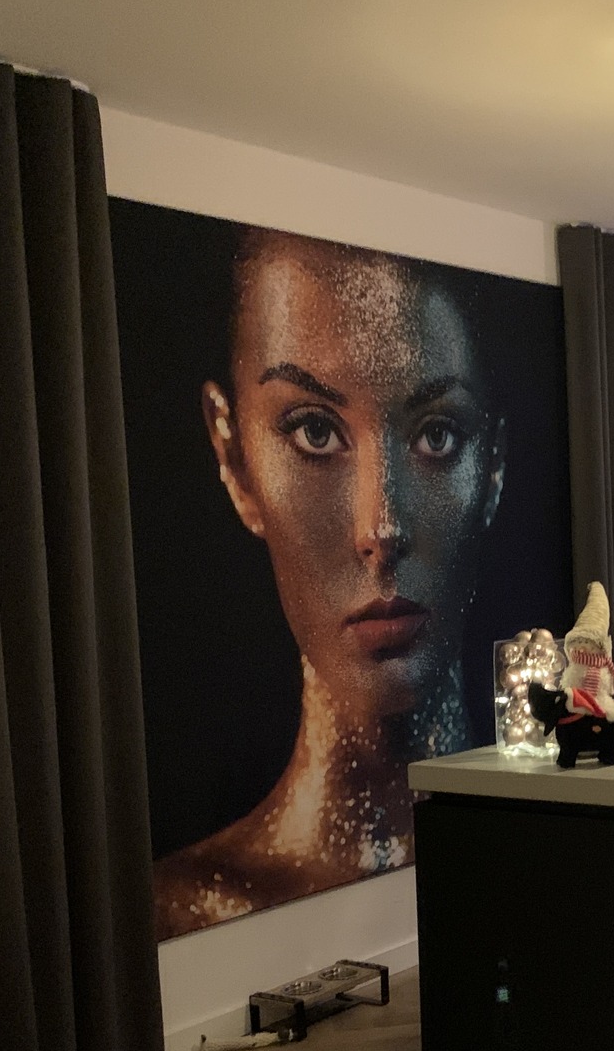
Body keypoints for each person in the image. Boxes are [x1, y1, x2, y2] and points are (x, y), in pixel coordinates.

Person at [152, 228, 505, 939]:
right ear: (234, 456)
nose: (382, 527)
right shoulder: (174, 911)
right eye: (314, 432)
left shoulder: (564, 848)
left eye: (437, 436)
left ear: (493, 465)